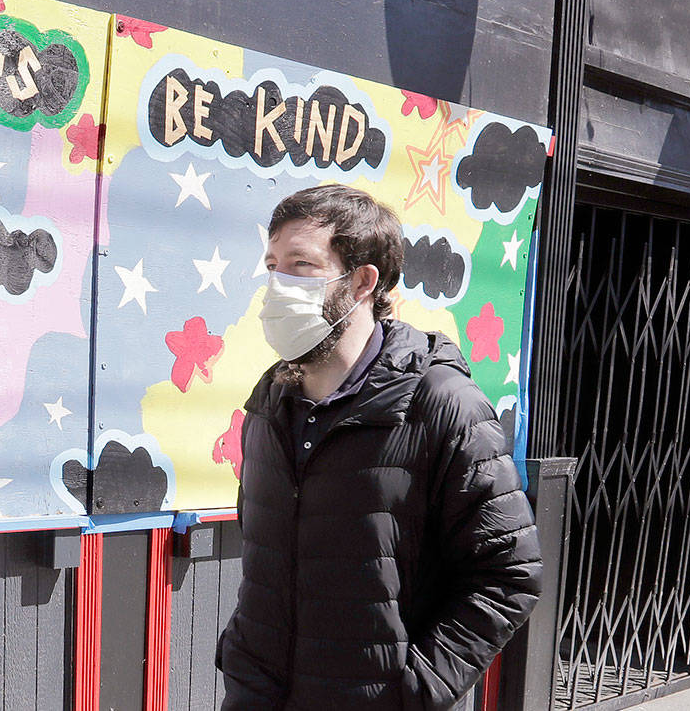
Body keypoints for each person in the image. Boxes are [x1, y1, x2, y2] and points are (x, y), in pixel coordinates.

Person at [216, 184, 542, 710]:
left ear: (363, 281)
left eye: (301, 264)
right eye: (272, 263)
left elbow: (509, 574)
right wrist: (242, 656)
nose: (277, 283)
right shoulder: (271, 399)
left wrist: (411, 691)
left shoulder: (442, 403)